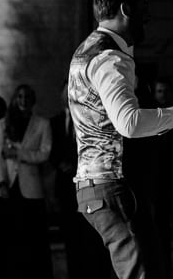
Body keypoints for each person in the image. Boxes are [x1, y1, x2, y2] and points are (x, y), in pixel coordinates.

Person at [67, 0, 173, 279]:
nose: (149, 15)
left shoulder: (86, 51)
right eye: (144, 6)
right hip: (116, 185)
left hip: (95, 187)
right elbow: (129, 123)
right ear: (125, 8)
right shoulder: (110, 57)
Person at [0, 84, 53, 279]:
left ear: (32, 100)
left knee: (31, 238)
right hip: (8, 186)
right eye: (20, 96)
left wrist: (19, 154)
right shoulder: (3, 123)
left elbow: (44, 153)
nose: (23, 100)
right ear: (15, 99)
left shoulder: (42, 124)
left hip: (31, 188)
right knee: (9, 238)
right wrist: (1, 182)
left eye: (27, 97)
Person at [49, 81, 111, 279]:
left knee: (92, 234)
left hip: (88, 185)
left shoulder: (90, 119)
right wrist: (59, 163)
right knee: (70, 236)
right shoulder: (54, 122)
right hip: (65, 188)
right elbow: (50, 151)